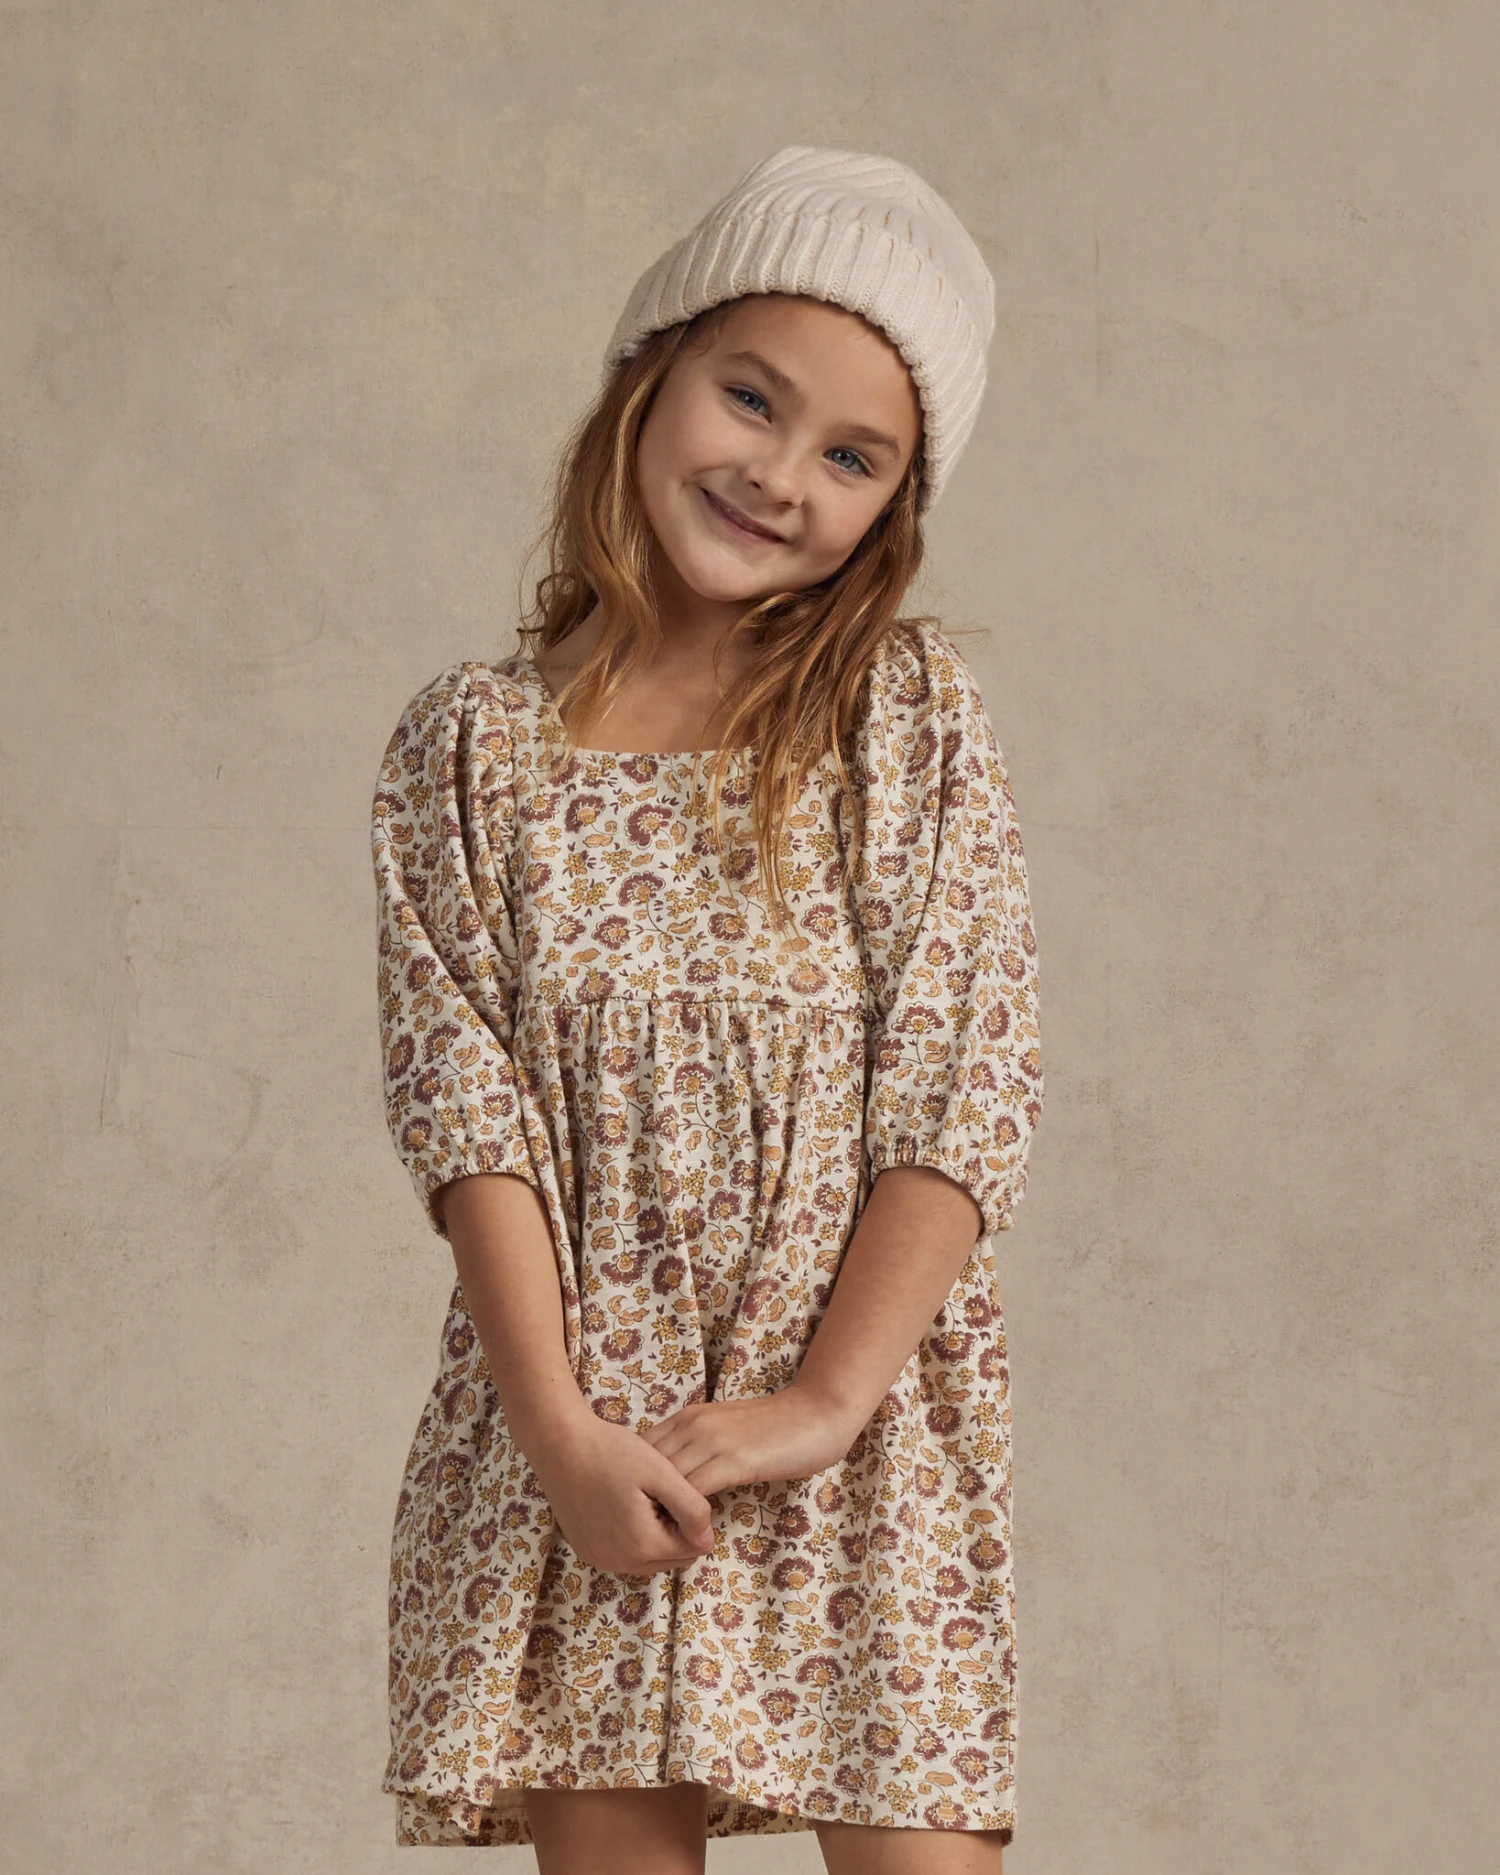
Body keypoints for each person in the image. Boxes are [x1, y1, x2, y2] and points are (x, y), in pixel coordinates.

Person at [370, 144, 1045, 1875]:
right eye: (750, 396)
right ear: (650, 373)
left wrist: (824, 1399)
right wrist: (557, 1434)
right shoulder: (472, 750)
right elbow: (469, 1122)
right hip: (588, 1435)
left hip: (866, 1434)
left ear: (892, 508)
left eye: (851, 456)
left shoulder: (899, 721)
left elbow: (962, 1087)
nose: (777, 473)